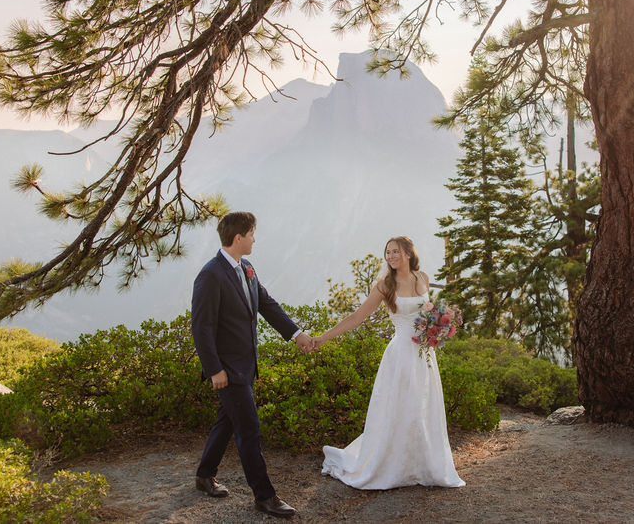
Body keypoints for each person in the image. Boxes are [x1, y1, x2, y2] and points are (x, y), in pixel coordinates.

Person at [312, 236, 465, 490]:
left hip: (425, 356)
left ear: (408, 253)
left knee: (422, 408)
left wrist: (442, 325)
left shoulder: (422, 278)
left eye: (395, 251)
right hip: (401, 355)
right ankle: (394, 467)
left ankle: (423, 465)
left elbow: (428, 313)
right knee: (401, 409)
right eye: (388, 252)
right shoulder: (385, 285)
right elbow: (357, 317)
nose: (390, 256)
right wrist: (324, 338)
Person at [191, 211, 313, 518]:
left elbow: (267, 304)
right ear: (238, 238)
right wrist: (214, 369)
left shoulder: (246, 267)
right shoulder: (210, 275)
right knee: (249, 429)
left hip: (246, 365)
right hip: (228, 370)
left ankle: (205, 475)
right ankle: (264, 496)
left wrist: (296, 333)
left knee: (228, 420)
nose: (255, 239)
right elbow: (201, 327)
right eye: (252, 234)